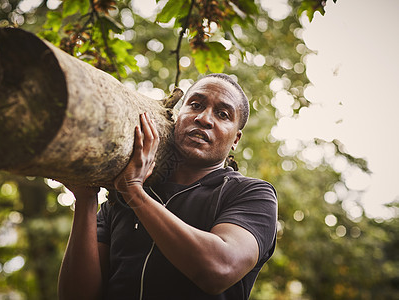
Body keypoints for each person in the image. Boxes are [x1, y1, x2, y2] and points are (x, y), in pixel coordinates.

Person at [58, 73, 278, 300]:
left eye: (222, 114)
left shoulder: (252, 194)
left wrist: (135, 192)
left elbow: (219, 269)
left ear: (236, 139)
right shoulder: (119, 197)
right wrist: (86, 199)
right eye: (195, 105)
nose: (204, 118)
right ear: (177, 115)